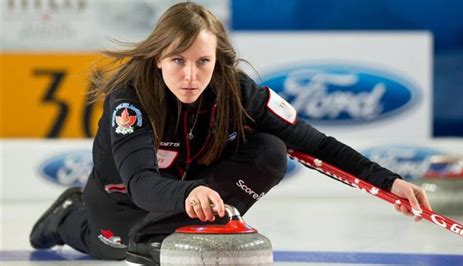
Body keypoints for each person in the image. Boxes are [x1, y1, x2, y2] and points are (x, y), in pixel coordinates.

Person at [30, 2, 431, 265]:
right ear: (157, 58)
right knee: (113, 248)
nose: (190, 76)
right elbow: (138, 183)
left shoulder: (239, 92)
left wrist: (389, 182)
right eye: (178, 61)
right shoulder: (129, 99)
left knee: (271, 150)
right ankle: (70, 216)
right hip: (125, 201)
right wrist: (189, 194)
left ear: (218, 59)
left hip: (188, 194)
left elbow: (317, 145)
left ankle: (186, 227)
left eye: (203, 61)